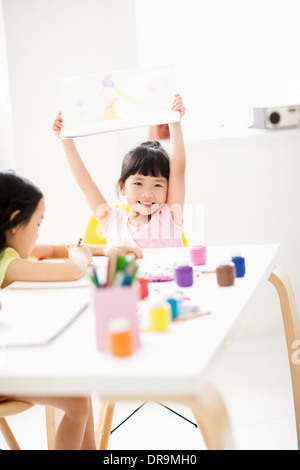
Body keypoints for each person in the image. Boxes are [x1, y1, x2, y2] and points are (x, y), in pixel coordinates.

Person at [0, 170, 140, 449]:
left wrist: (105, 250)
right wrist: (80, 259)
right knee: (77, 405)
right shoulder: (8, 264)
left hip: (11, 359)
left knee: (80, 388)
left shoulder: (9, 253)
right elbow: (71, 270)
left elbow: (54, 250)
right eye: (38, 224)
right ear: (15, 222)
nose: (40, 231)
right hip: (6, 373)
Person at [52, 94, 186, 248]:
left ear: (168, 189)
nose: (148, 194)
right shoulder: (113, 221)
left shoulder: (170, 216)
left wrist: (174, 122)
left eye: (157, 185)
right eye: (138, 183)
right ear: (122, 187)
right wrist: (66, 140)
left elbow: (178, 171)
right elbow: (86, 185)